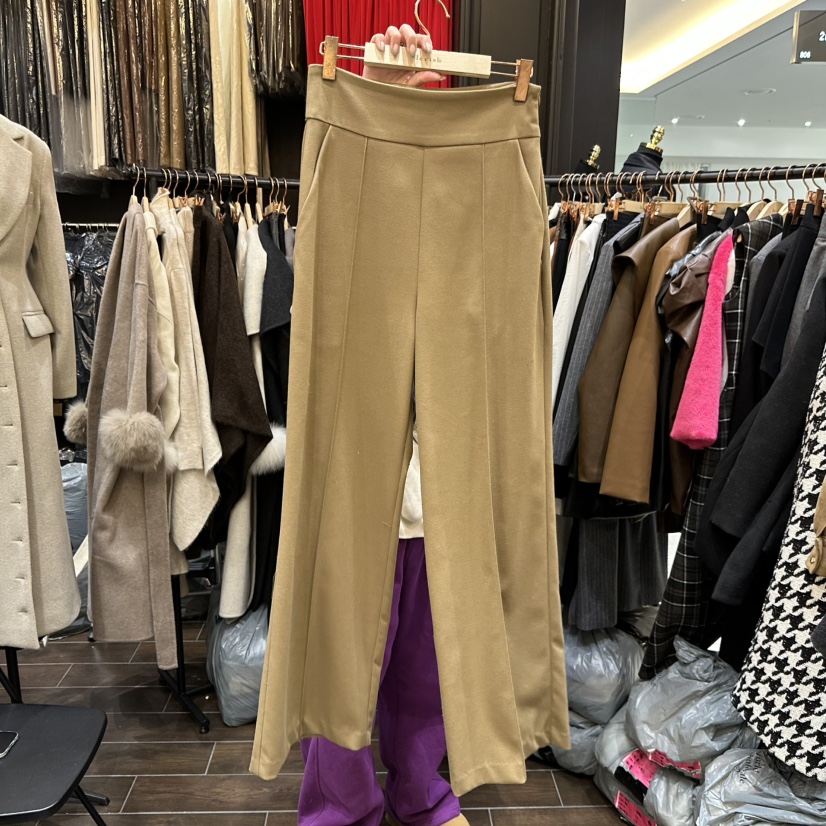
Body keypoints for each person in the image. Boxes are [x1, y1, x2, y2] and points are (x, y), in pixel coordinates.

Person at [297, 25, 468, 826]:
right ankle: (342, 808)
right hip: (358, 467)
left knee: (424, 661)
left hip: (440, 472)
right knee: (343, 654)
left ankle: (421, 789)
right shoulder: (349, 184)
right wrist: (379, 102)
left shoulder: (470, 185)